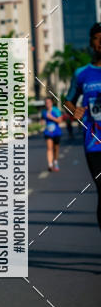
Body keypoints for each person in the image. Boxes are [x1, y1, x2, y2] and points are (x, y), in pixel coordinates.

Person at [65, 21, 101, 233]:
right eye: (98, 38)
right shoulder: (81, 73)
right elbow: (68, 100)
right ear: (91, 43)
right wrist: (73, 110)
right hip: (94, 143)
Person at [41, 97, 63, 172]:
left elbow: (60, 121)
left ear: (51, 103)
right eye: (46, 103)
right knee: (49, 148)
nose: (47, 104)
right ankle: (50, 164)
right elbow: (42, 120)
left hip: (57, 132)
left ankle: (55, 161)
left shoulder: (56, 110)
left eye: (49, 102)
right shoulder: (43, 112)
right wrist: (42, 122)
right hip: (48, 132)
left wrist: (51, 117)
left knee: (56, 148)